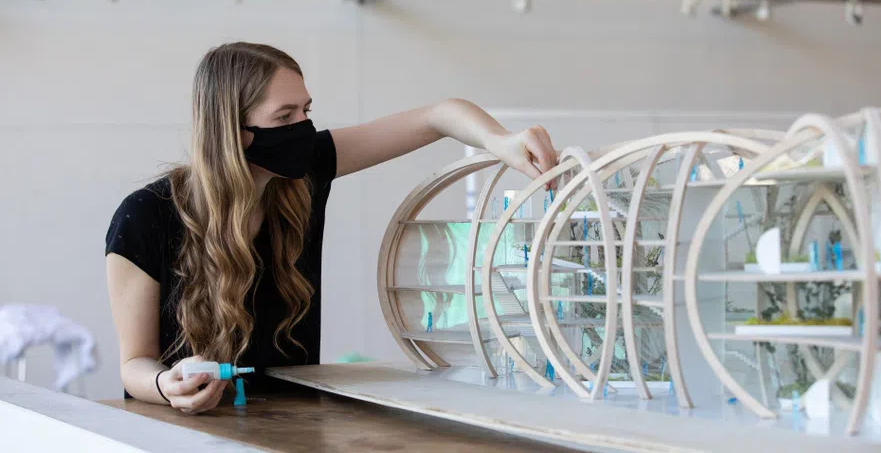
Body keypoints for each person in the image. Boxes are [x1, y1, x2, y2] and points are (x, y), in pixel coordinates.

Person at [105, 42, 558, 415]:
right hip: (182, 433)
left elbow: (439, 116)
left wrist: (502, 142)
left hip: (294, 428)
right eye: (284, 118)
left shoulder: (304, 174)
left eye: (306, 110)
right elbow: (133, 363)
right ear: (232, 130)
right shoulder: (145, 217)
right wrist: (168, 384)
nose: (304, 128)